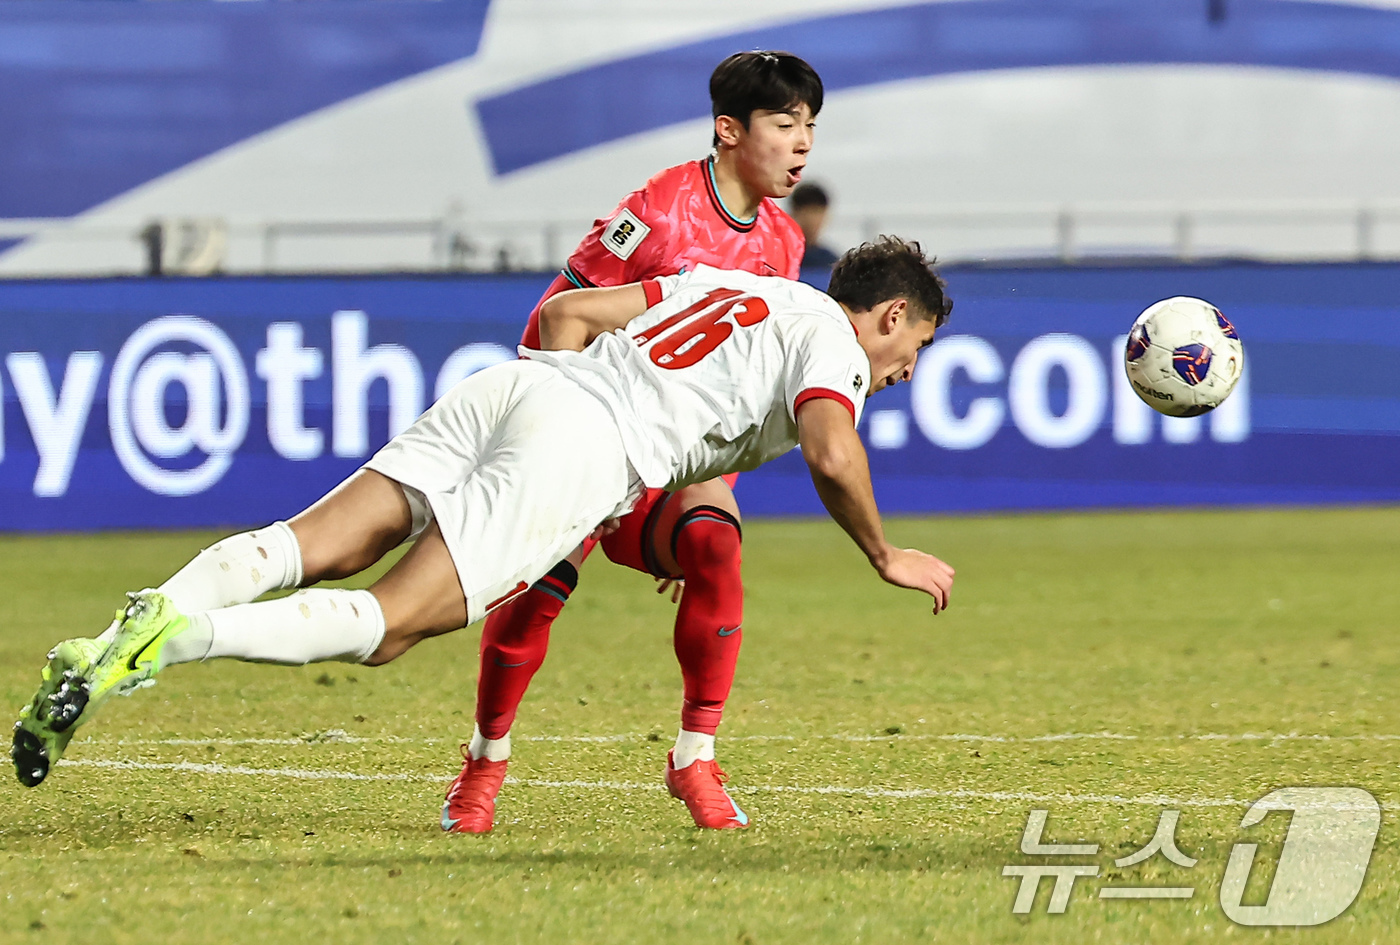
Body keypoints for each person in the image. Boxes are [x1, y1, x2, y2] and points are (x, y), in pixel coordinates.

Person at [13, 239, 957, 837]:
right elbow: (834, 455)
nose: (906, 371)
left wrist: (566, 426)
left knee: (314, 541)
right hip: (586, 442)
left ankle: (136, 623)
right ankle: (179, 636)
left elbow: (569, 315)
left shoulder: (736, 286)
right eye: (912, 350)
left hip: (520, 388)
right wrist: (886, 553)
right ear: (887, 316)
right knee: (389, 625)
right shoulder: (832, 342)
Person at [464, 50, 821, 832]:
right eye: (785, 124)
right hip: (591, 430)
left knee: (714, 542)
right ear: (730, 130)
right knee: (536, 591)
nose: (802, 144)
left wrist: (708, 483)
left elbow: (748, 385)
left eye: (810, 127)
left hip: (675, 453)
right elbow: (557, 315)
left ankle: (695, 757)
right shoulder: (656, 210)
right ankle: (485, 762)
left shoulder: (784, 246)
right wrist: (548, 453)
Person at [790, 182, 841, 270]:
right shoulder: (779, 256)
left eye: (818, 212)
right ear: (794, 213)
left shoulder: (830, 261)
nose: (813, 220)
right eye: (807, 213)